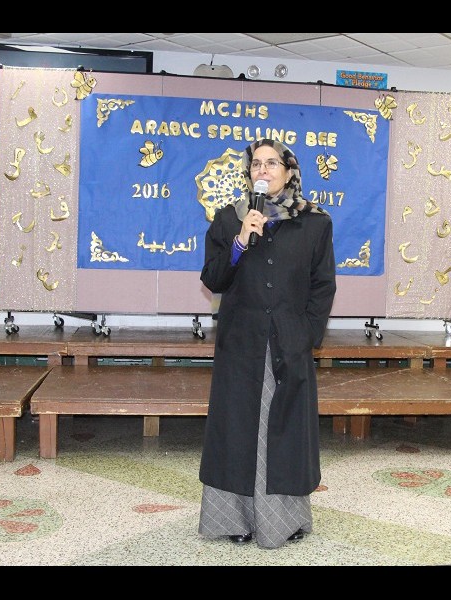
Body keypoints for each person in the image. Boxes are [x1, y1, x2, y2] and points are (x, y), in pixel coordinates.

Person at [197, 138, 337, 549]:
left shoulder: (315, 222)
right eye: (256, 163)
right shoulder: (229, 219)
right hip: (241, 345)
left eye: (272, 163)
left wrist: (306, 336)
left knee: (285, 435)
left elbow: (323, 286)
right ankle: (233, 520)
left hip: (289, 344)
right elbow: (213, 279)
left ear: (289, 171)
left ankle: (286, 521)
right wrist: (240, 242)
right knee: (237, 432)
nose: (263, 169)